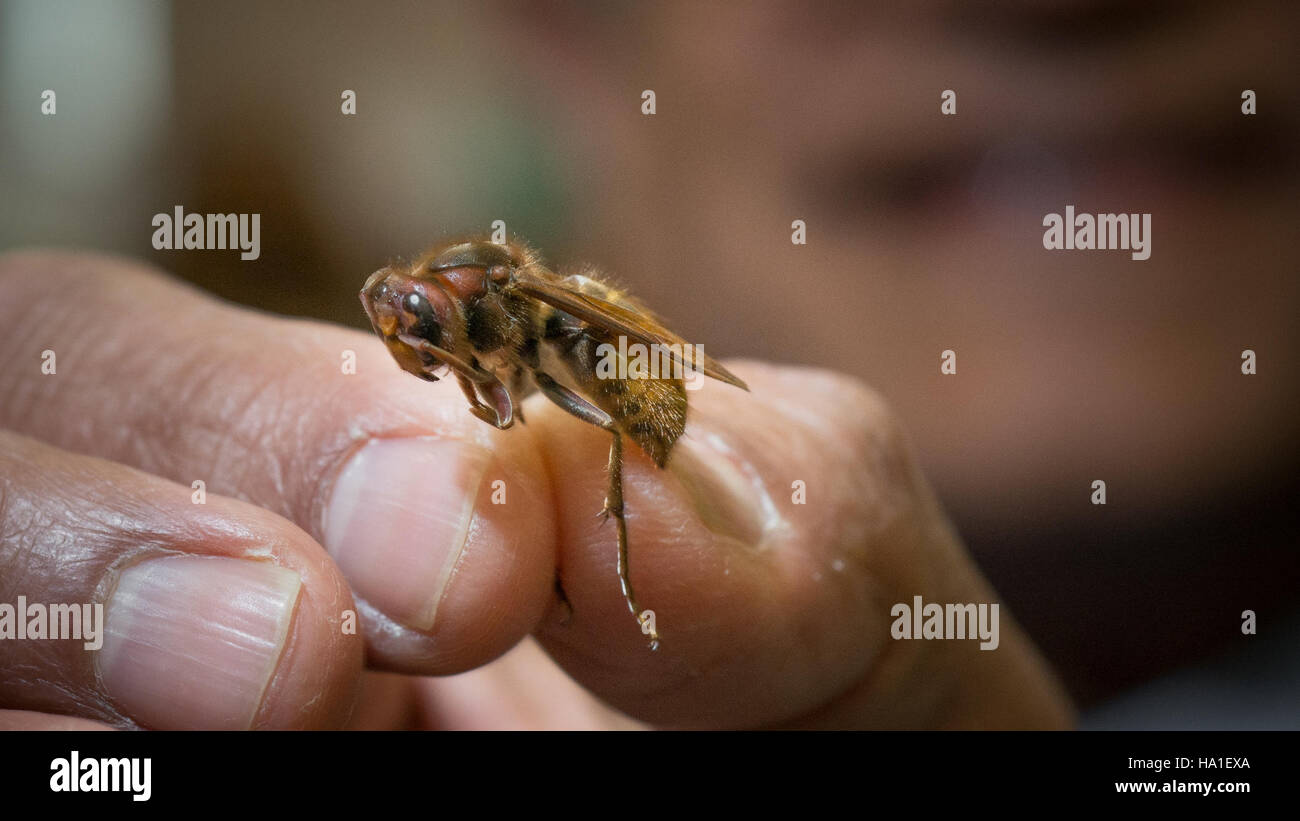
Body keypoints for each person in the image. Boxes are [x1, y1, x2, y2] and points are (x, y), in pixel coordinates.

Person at [0, 251, 1071, 729]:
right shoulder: (468, 322)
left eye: (418, 325)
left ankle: (611, 520)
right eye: (401, 330)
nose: (412, 344)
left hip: (622, 378)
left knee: (588, 443)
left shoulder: (505, 307)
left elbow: (527, 350)